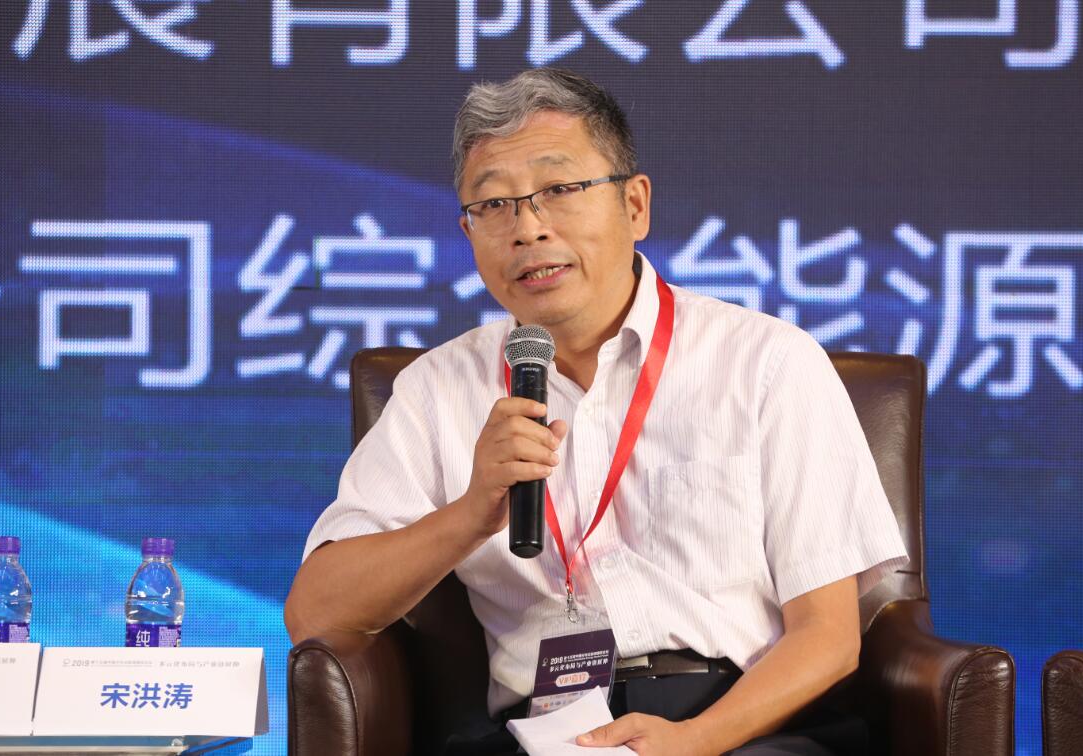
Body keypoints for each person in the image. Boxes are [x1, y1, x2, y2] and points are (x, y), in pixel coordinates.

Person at [284, 68, 908, 755]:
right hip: (541, 733)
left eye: (558, 190)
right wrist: (472, 512)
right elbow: (316, 612)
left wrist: (694, 741)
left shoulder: (765, 362)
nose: (527, 228)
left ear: (634, 206)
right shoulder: (436, 389)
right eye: (493, 205)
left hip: (736, 728)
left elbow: (828, 637)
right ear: (467, 231)